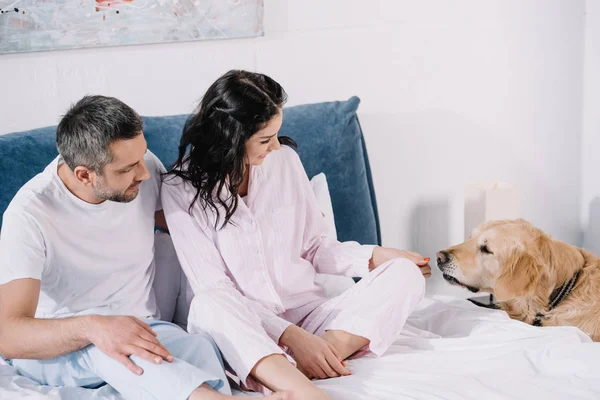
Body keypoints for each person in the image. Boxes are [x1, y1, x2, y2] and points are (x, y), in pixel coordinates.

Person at [162, 70, 431, 400]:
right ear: (230, 138)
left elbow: (315, 246)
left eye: (277, 134)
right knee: (207, 304)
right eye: (264, 139)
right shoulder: (180, 189)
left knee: (404, 273)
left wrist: (375, 257)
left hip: (314, 318)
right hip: (248, 328)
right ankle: (296, 379)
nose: (275, 146)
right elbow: (216, 288)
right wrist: (290, 336)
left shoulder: (284, 161)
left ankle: (310, 364)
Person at [0, 95, 288, 400]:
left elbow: (195, 230)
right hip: (63, 345)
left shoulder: (143, 169)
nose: (145, 173)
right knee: (113, 348)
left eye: (142, 155)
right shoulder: (30, 215)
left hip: (145, 328)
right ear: (85, 174)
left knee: (198, 348)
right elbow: (9, 334)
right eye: (127, 169)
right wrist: (93, 327)